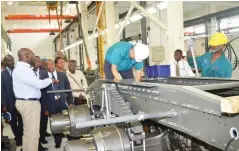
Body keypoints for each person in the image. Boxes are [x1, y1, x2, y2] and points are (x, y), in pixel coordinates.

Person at [12, 48, 58, 151]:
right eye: (33, 55)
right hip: (29, 104)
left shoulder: (22, 68)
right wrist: (51, 80)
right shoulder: (23, 69)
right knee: (33, 135)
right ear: (27, 55)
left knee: (28, 133)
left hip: (27, 103)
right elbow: (38, 84)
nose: (35, 57)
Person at [40, 59, 73, 149]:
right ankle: (57, 141)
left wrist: (70, 102)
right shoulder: (43, 77)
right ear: (46, 66)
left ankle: (71, 140)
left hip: (62, 103)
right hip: (51, 104)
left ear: (54, 65)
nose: (50, 66)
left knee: (67, 121)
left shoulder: (62, 75)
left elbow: (68, 89)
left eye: (51, 64)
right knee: (54, 123)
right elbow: (42, 94)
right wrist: (45, 108)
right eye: (48, 64)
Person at [1, 55, 23, 146]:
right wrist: (4, 104)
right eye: (8, 60)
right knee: (13, 121)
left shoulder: (19, 71)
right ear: (5, 62)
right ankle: (18, 138)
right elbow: (2, 91)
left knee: (22, 120)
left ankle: (20, 135)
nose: (10, 62)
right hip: (9, 102)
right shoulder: (2, 74)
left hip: (21, 100)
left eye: (11, 60)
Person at [33, 56, 51, 148]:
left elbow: (47, 89)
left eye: (39, 61)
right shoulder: (29, 73)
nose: (38, 62)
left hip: (43, 101)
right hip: (32, 102)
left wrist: (46, 105)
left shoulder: (44, 73)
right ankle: (37, 143)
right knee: (35, 124)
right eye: (36, 60)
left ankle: (42, 138)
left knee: (43, 121)